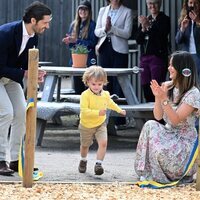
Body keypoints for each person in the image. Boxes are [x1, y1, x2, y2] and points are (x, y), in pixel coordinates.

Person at [0, 1, 52, 176]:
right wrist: (25, 73)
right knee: (6, 112)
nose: (48, 26)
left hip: (10, 78)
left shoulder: (33, 36)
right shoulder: (5, 33)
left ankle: (15, 161)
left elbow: (25, 66)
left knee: (22, 112)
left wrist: (35, 73)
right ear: (33, 20)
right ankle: (0, 160)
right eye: (45, 22)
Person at [134, 51, 200, 184]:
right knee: (150, 125)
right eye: (169, 64)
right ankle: (146, 171)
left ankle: (174, 174)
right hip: (169, 134)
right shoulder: (170, 87)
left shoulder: (193, 93)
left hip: (184, 142)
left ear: (182, 68)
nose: (169, 68)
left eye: (172, 65)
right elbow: (158, 116)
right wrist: (158, 97)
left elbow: (175, 120)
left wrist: (164, 99)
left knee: (160, 149)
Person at [78, 65, 126, 175]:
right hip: (86, 124)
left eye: (99, 84)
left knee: (103, 143)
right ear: (87, 82)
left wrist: (119, 110)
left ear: (103, 83)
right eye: (93, 84)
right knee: (85, 145)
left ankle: (98, 164)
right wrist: (97, 112)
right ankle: (83, 160)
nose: (96, 87)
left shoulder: (105, 94)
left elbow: (110, 103)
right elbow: (84, 110)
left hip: (100, 124)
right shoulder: (85, 95)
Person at [94, 0, 133, 127]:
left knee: (119, 83)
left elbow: (127, 33)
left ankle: (119, 120)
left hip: (119, 50)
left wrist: (113, 29)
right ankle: (104, 118)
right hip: (104, 47)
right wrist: (105, 29)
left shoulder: (127, 11)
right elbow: (96, 32)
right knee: (105, 82)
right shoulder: (102, 10)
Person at [136, 0, 170, 102]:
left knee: (157, 86)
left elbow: (160, 36)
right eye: (150, 3)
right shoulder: (147, 19)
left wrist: (149, 26)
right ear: (147, 5)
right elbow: (138, 40)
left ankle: (159, 116)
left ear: (160, 4)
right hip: (144, 59)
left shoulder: (164, 19)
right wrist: (143, 28)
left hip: (157, 57)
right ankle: (149, 113)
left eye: (155, 3)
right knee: (146, 87)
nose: (152, 6)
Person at [62, 0, 98, 94]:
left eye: (85, 9)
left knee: (89, 88)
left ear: (89, 11)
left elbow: (93, 43)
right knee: (78, 89)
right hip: (76, 62)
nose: (83, 11)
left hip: (89, 62)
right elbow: (71, 46)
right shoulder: (73, 24)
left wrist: (76, 41)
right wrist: (69, 41)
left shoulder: (92, 25)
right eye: (80, 9)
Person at [175, 0, 200, 79]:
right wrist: (182, 28)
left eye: (196, 3)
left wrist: (198, 21)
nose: (193, 5)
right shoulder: (184, 18)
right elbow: (178, 40)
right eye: (191, 3)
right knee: (188, 82)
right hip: (187, 56)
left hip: (198, 56)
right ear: (187, 4)